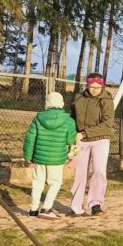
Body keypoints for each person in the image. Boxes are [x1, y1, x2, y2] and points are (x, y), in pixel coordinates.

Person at [23, 92, 77, 220]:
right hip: (57, 158)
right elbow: (70, 140)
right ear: (62, 104)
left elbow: (30, 139)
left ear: (47, 103)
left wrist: (28, 157)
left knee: (37, 183)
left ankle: (33, 210)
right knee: (55, 182)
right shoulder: (69, 121)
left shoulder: (38, 119)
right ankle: (46, 208)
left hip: (39, 157)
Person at [69, 73, 114, 217]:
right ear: (87, 86)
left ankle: (95, 204)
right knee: (80, 173)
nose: (95, 90)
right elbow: (72, 119)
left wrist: (85, 133)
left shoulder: (106, 101)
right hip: (81, 140)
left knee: (99, 171)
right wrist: (71, 135)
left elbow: (107, 124)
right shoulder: (79, 99)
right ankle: (76, 207)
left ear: (102, 86)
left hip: (100, 139)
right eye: (92, 87)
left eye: (98, 87)